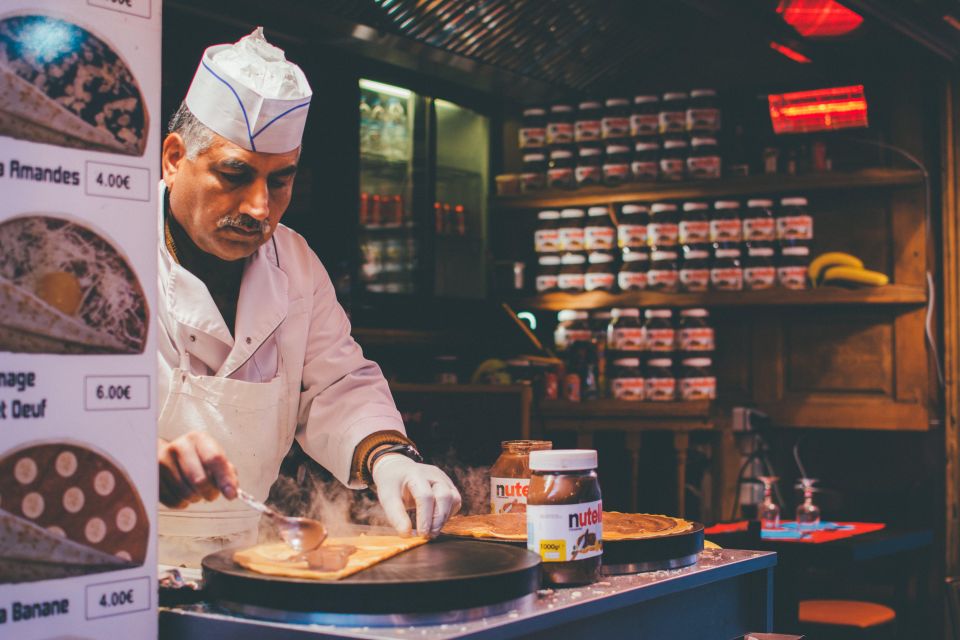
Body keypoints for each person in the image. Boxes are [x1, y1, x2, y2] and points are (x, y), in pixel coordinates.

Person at [156, 28, 460, 566]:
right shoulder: (106, 251)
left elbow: (336, 385)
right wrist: (130, 457)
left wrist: (392, 458)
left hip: (241, 562)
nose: (258, 207)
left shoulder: (294, 264)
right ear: (175, 158)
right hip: (114, 556)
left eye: (280, 181)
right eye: (235, 174)